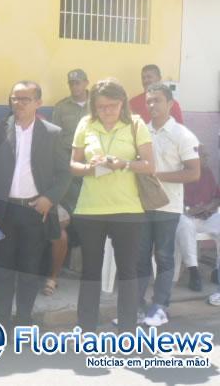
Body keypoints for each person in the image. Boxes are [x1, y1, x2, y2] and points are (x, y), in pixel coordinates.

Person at [0, 81, 71, 328]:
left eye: (25, 99)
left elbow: (64, 174)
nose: (18, 104)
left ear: (38, 103)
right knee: (2, 267)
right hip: (1, 214)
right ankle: (2, 318)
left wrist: (49, 198)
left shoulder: (52, 133)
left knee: (30, 269)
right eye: (14, 98)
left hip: (34, 213)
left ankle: (24, 320)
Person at [70, 78, 155, 333]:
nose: (107, 111)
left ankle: (127, 331)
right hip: (90, 209)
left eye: (113, 105)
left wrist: (123, 163)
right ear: (94, 106)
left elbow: (150, 165)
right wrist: (90, 168)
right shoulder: (86, 124)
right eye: (101, 106)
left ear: (123, 104)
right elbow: (73, 165)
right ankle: (86, 329)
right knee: (90, 271)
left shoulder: (136, 124)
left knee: (127, 272)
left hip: (127, 210)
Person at [137, 83, 200, 327]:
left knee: (163, 257)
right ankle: (138, 307)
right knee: (140, 258)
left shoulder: (182, 135)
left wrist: (157, 176)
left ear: (170, 104)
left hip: (168, 207)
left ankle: (160, 306)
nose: (152, 105)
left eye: (157, 101)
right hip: (142, 205)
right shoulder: (141, 131)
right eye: (149, 101)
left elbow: (193, 173)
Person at [45, 68, 91, 296]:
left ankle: (88, 268)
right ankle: (61, 267)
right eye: (71, 83)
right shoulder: (61, 107)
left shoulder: (98, 105)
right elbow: (55, 136)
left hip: (91, 166)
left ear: (86, 83)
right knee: (69, 213)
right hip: (67, 166)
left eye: (78, 82)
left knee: (90, 216)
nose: (75, 86)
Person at [175, 145, 220, 292]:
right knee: (185, 225)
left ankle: (217, 271)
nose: (206, 158)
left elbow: (217, 197)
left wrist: (208, 207)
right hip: (185, 216)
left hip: (206, 216)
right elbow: (171, 201)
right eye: (203, 155)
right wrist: (188, 210)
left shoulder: (207, 172)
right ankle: (194, 271)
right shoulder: (180, 173)